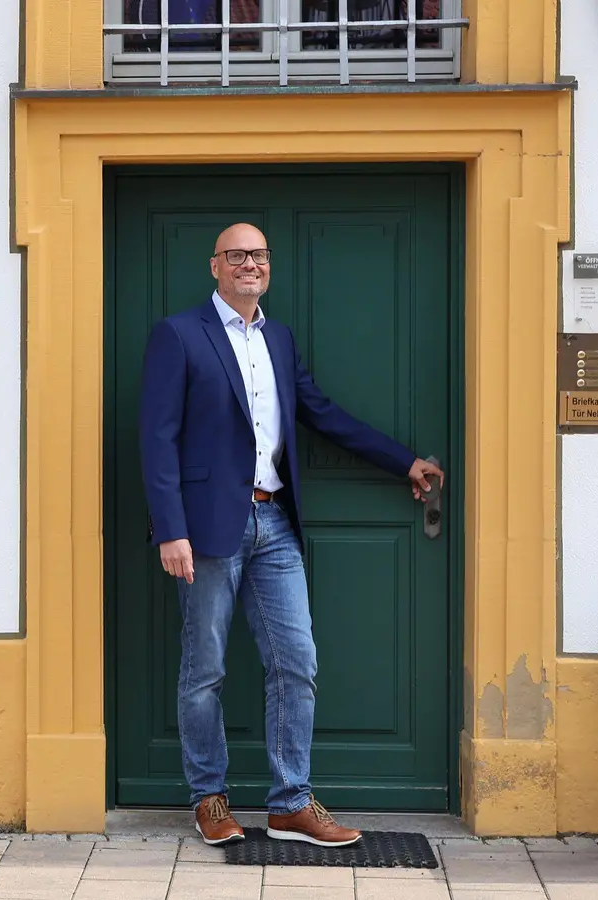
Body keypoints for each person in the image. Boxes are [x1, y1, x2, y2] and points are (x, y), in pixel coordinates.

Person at [139, 223, 444, 848]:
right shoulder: (179, 334)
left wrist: (402, 462)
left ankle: (289, 804)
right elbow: (156, 438)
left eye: (259, 255)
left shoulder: (277, 337)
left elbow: (322, 413)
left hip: (274, 522)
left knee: (296, 662)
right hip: (206, 529)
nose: (250, 264)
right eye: (238, 255)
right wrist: (171, 530)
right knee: (205, 671)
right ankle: (210, 798)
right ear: (215, 266)